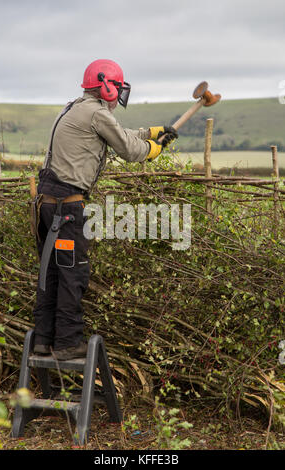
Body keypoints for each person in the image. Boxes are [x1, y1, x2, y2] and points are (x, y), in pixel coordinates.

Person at [32, 59, 178, 360]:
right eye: (118, 88)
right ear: (107, 86)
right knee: (74, 273)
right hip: (68, 211)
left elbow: (121, 133)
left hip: (47, 208)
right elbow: (128, 149)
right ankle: (68, 343)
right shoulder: (97, 113)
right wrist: (156, 148)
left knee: (52, 274)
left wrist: (153, 131)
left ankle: (44, 341)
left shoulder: (76, 107)